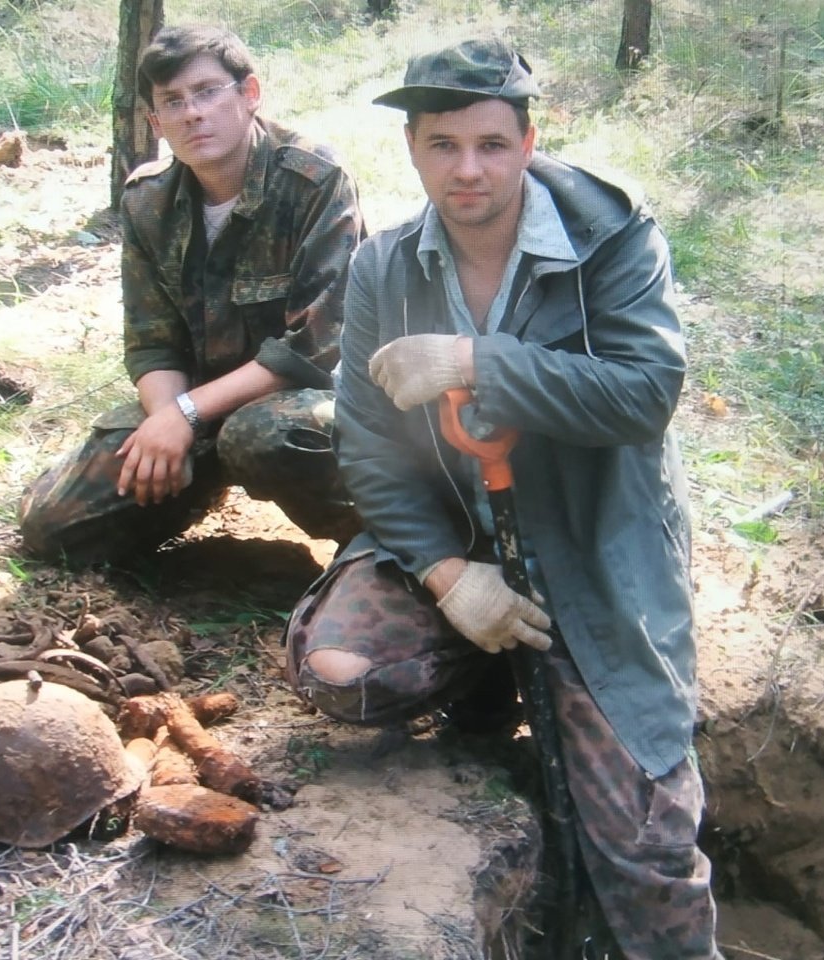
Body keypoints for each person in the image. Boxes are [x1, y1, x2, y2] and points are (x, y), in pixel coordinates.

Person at [284, 37, 723, 960]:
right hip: (454, 533)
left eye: (490, 143)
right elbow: (368, 447)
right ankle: (482, 682)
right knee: (346, 671)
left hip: (596, 544)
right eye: (443, 145)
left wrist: (480, 362)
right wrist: (448, 577)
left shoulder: (613, 237)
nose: (468, 168)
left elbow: (646, 394)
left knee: (642, 839)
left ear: (530, 140)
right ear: (413, 149)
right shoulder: (385, 268)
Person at [19, 25, 366, 565]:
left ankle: (375, 542)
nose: (192, 114)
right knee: (54, 527)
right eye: (173, 102)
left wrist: (184, 415)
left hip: (307, 407)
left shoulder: (314, 181)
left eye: (208, 92)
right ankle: (199, 484)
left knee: (264, 436)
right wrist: (167, 423)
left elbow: (312, 349)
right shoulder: (147, 201)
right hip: (198, 404)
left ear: (249, 95)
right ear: (156, 123)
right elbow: (153, 343)